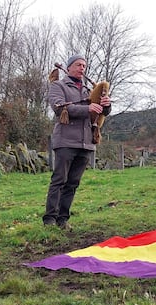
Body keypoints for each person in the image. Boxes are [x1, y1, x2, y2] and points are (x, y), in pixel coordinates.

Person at [43, 54, 111, 229]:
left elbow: (101, 113)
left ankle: (62, 220)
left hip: (86, 142)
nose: (82, 68)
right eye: (79, 65)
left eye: (84, 66)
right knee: (59, 180)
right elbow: (59, 109)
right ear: (70, 67)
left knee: (73, 183)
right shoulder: (58, 86)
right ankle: (50, 219)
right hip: (66, 140)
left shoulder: (89, 91)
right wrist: (87, 108)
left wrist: (106, 105)